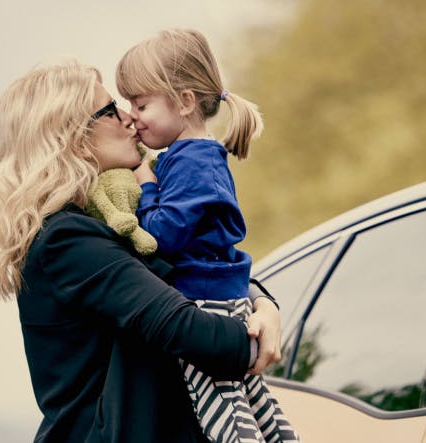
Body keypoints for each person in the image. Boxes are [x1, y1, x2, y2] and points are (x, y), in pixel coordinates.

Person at [0, 58, 283, 443]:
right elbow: (184, 328)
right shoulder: (67, 240)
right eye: (109, 109)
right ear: (70, 135)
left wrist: (263, 303)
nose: (128, 117)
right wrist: (253, 341)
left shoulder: (107, 218)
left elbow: (195, 265)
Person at [116, 29, 299, 443]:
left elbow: (162, 235)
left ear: (183, 101)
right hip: (223, 296)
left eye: (141, 104)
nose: (132, 116)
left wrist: (144, 181)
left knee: (223, 413)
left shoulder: (191, 162)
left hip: (206, 303)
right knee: (257, 406)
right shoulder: (194, 156)